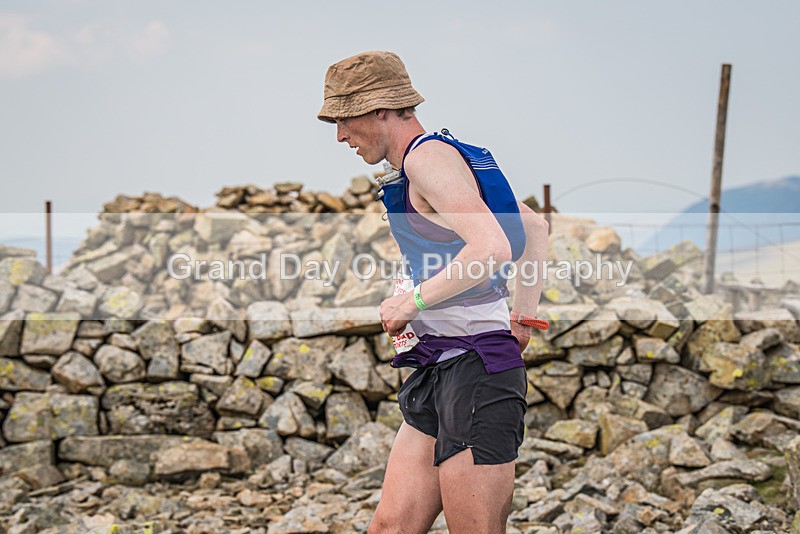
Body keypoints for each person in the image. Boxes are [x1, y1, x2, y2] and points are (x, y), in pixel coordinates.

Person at [318, 51, 549, 534]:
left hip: (476, 371)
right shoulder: (446, 155)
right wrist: (523, 320)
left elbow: (491, 247)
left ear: (380, 110)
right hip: (437, 366)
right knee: (391, 527)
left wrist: (411, 301)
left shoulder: (428, 160)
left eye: (343, 119)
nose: (340, 135)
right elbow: (533, 226)